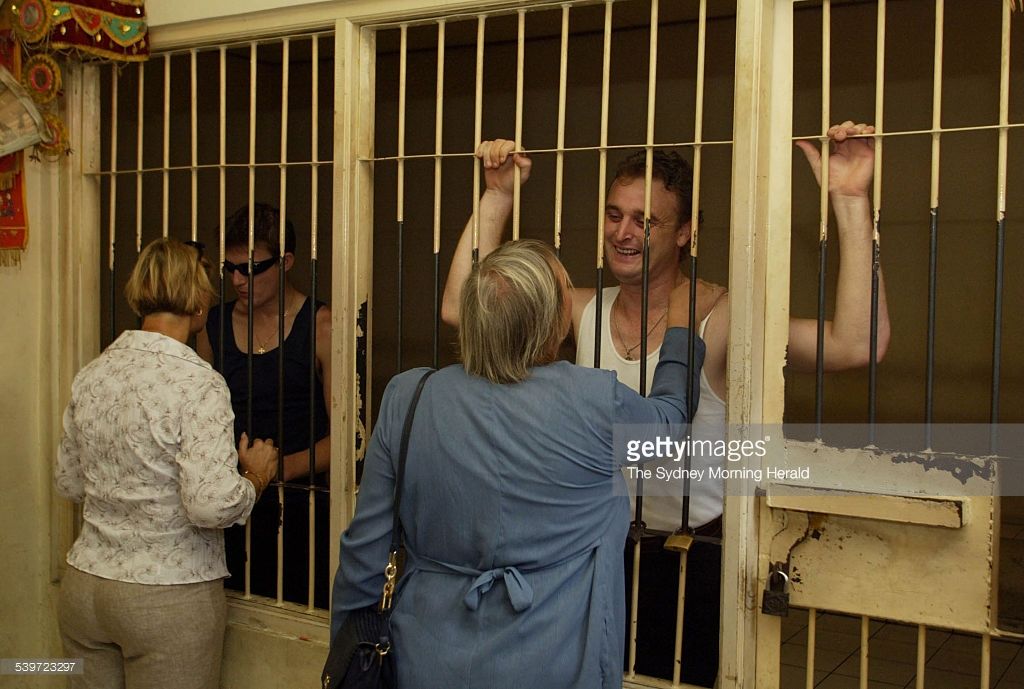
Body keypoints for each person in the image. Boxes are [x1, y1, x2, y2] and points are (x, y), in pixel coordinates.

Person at [441, 122, 890, 685]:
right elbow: (462, 308)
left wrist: (850, 201)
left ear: (685, 233)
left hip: (693, 557)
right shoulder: (578, 309)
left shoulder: (718, 316)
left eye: (645, 220)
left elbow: (856, 344)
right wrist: (497, 196)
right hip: (593, 550)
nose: (623, 232)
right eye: (614, 215)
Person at [332, 239, 708, 689]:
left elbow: (365, 552)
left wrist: (346, 660)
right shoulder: (592, 401)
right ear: (551, 322)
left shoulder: (409, 397)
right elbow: (669, 425)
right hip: (557, 661)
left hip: (424, 658)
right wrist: (681, 326)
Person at [56, 237, 279, 689]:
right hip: (167, 595)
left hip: (85, 588)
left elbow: (69, 482)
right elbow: (210, 506)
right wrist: (256, 476)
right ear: (198, 303)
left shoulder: (93, 374)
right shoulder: (197, 383)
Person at [196, 202, 332, 608]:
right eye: (230, 268)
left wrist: (276, 470)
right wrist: (242, 478)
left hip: (304, 506)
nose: (238, 280)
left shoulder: (322, 325)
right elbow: (198, 423)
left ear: (286, 262)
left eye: (251, 268)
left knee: (300, 611)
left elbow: (350, 437)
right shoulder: (212, 325)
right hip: (227, 504)